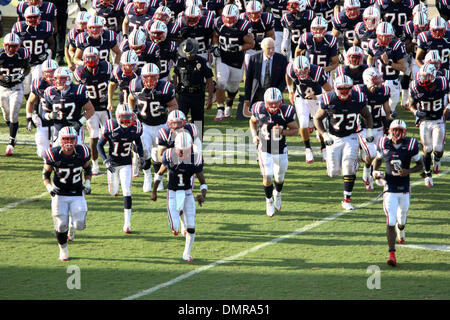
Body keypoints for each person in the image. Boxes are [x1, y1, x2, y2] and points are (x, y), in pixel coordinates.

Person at [313, 75, 374, 210]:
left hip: (351, 136)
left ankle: (346, 199)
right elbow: (317, 118)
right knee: (333, 172)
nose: (345, 92)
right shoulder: (329, 98)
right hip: (334, 138)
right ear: (335, 88)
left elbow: (367, 115)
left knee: (348, 167)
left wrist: (369, 132)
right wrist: (324, 134)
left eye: (348, 89)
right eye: (341, 89)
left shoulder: (358, 98)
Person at [372, 120, 423, 267]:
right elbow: (377, 160)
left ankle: (401, 229)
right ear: (390, 131)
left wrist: (409, 171)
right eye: (395, 130)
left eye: (400, 131)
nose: (396, 133)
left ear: (404, 132)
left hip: (404, 187)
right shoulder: (384, 143)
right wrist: (375, 172)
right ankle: (392, 254)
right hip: (389, 188)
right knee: (390, 221)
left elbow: (420, 165)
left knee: (401, 219)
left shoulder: (411, 145)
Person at [151, 130, 208, 262]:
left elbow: (203, 182)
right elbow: (160, 173)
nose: (183, 153)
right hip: (172, 193)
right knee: (174, 227)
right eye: (181, 150)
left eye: (186, 150)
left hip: (187, 193)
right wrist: (154, 191)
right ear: (176, 148)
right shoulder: (169, 155)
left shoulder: (195, 158)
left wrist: (203, 195)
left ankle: (186, 253)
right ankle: (179, 221)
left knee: (191, 227)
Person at [42, 126, 92, 261]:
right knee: (60, 225)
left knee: (79, 225)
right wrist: (49, 187)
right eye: (65, 139)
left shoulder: (83, 152)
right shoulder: (53, 154)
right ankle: (63, 250)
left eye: (71, 139)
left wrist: (87, 183)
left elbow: (87, 169)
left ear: (76, 140)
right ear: (60, 140)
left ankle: (72, 224)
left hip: (77, 192)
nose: (69, 142)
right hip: (59, 193)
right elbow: (46, 174)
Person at [128, 63, 178, 192]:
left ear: (158, 77)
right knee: (144, 153)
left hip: (160, 125)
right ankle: (147, 176)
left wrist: (166, 110)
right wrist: (132, 111)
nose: (149, 81)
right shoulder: (136, 85)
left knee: (157, 154)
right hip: (144, 124)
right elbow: (130, 98)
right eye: (147, 77)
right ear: (142, 77)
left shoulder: (165, 87)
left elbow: (174, 105)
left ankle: (157, 178)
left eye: (153, 77)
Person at [249, 87, 298, 216]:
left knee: (280, 176)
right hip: (265, 148)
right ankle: (269, 200)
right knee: (268, 175)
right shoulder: (259, 108)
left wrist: (282, 131)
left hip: (281, 148)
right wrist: (254, 135)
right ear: (265, 102)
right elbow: (252, 121)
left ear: (281, 101)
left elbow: (295, 130)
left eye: (276, 103)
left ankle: (278, 193)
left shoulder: (286, 111)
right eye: (270, 103)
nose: (273, 106)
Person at [97, 104, 144, 234]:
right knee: (113, 191)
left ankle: (127, 224)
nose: (127, 119)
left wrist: (141, 156)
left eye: (129, 116)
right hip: (112, 164)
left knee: (127, 191)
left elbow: (139, 144)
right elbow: (99, 145)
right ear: (117, 116)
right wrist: (105, 160)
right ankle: (115, 190)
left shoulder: (135, 128)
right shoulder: (111, 126)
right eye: (124, 117)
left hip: (126, 164)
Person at [408, 63, 449, 187]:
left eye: (427, 77)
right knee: (427, 148)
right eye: (423, 77)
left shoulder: (442, 83)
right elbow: (410, 104)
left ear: (433, 76)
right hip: (425, 119)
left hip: (438, 118)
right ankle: (428, 174)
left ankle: (436, 160)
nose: (424, 79)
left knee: (438, 149)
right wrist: (416, 112)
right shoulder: (416, 86)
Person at [211, 3, 255, 121]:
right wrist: (215, 46)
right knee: (221, 82)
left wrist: (239, 48)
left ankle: (229, 104)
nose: (229, 20)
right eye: (227, 17)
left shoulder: (243, 26)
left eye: (231, 18)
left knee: (233, 86)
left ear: (237, 17)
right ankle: (220, 109)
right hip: (222, 58)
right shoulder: (218, 22)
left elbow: (251, 44)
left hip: (237, 59)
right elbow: (215, 36)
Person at [74, 47, 113, 175]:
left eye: (93, 57)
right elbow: (78, 91)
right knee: (94, 135)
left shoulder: (106, 67)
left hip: (104, 106)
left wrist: (110, 100)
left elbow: (113, 83)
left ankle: (112, 159)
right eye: (88, 58)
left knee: (112, 134)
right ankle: (95, 163)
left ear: (98, 57)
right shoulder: (80, 72)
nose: (90, 60)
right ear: (84, 59)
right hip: (91, 108)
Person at [286, 55, 332, 163]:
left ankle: (323, 147)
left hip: (317, 98)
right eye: (299, 71)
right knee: (303, 123)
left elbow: (330, 92)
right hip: (301, 97)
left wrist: (317, 97)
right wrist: (290, 91)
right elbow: (287, 76)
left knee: (321, 124)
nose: (302, 73)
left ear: (309, 68)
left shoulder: (317, 72)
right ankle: (307, 148)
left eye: (305, 70)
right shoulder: (291, 69)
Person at [354, 67, 393, 190]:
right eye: (375, 80)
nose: (378, 83)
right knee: (371, 153)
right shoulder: (359, 90)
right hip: (363, 127)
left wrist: (391, 116)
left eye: (378, 80)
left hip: (378, 126)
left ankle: (370, 174)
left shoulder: (384, 90)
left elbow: (387, 111)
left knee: (380, 154)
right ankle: (367, 173)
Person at [42, 67, 95, 146]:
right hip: (58, 130)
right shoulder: (49, 92)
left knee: (78, 153)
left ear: (69, 79)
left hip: (75, 129)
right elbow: (44, 112)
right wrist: (49, 115)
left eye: (62, 79)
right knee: (56, 154)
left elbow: (90, 110)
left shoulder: (79, 90)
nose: (58, 81)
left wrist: (79, 123)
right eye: (56, 79)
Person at [173, 38, 214, 137]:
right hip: (183, 95)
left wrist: (210, 98)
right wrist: (174, 94)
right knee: (178, 119)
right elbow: (176, 77)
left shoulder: (202, 62)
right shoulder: (180, 61)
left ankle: (198, 145)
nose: (188, 56)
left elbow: (209, 80)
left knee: (198, 122)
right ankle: (176, 142)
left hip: (198, 95)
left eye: (190, 54)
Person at [12, 5, 55, 96]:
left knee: (37, 85)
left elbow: (51, 43)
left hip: (39, 61)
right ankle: (29, 102)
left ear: (40, 16)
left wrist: (47, 53)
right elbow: (14, 45)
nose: (32, 19)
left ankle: (36, 106)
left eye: (35, 17)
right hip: (25, 62)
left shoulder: (46, 26)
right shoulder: (19, 28)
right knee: (26, 88)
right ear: (25, 17)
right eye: (30, 17)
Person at [0, 33, 31, 156]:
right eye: (9, 46)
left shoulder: (22, 54)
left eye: (14, 46)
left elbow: (27, 67)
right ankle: (13, 132)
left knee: (13, 114)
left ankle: (11, 142)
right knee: (6, 115)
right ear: (4, 45)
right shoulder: (1, 55)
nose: (12, 49)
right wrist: (3, 77)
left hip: (17, 88)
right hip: (2, 88)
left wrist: (23, 75)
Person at [367, 22, 406, 112]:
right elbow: (370, 58)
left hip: (392, 81)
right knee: (376, 109)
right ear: (377, 35)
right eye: (381, 36)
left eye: (387, 37)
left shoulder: (397, 46)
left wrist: (389, 63)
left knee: (390, 109)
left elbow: (403, 67)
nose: (384, 39)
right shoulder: (372, 44)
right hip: (378, 80)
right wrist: (370, 69)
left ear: (391, 36)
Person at [25, 59, 58, 158]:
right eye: (47, 72)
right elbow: (30, 101)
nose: (50, 75)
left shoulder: (63, 83)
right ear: (43, 73)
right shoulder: (39, 84)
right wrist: (29, 118)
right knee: (42, 152)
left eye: (52, 72)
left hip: (59, 120)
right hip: (43, 118)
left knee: (58, 150)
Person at [244, 37, 288, 110]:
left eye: (273, 48)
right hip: (258, 93)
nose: (271, 51)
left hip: (275, 94)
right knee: (258, 117)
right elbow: (249, 79)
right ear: (263, 48)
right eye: (268, 48)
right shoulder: (254, 59)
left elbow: (284, 79)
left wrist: (277, 92)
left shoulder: (281, 59)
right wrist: (247, 98)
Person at [296, 16, 339, 85]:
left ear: (326, 28)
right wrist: (298, 64)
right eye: (315, 29)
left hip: (324, 73)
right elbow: (298, 51)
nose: (318, 31)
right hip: (308, 72)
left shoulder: (331, 40)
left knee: (326, 93)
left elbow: (336, 63)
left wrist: (324, 69)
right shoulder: (306, 38)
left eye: (321, 29)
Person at [241, 0, 275, 71]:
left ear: (261, 11)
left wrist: (268, 48)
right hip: (249, 49)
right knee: (248, 71)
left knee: (264, 71)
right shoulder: (242, 18)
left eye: (256, 13)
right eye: (251, 13)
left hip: (263, 49)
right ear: (247, 13)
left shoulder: (266, 18)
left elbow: (272, 36)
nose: (253, 16)